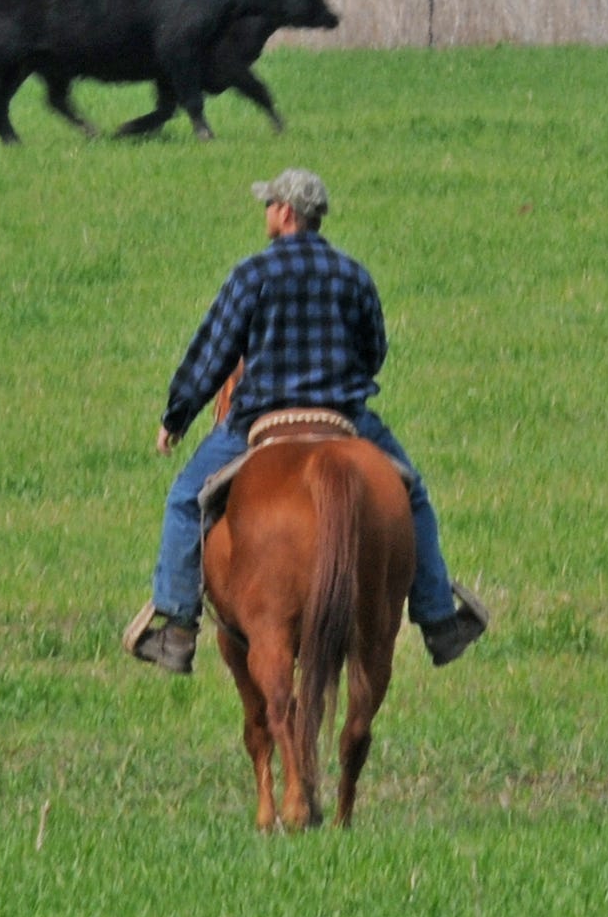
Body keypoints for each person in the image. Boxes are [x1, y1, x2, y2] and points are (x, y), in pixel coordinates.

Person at [124, 168, 488, 673]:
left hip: (260, 417)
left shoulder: (252, 274)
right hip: (344, 416)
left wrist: (177, 415)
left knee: (185, 501)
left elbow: (214, 353)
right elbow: (374, 350)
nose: (266, 212)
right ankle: (438, 622)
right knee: (413, 494)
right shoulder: (353, 273)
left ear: (287, 213)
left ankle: (179, 628)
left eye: (269, 204)